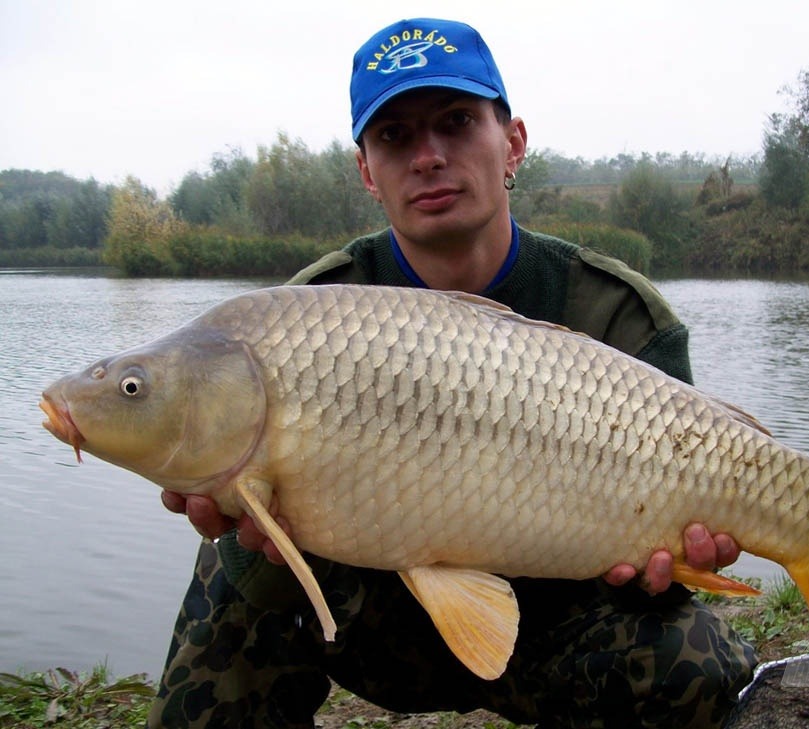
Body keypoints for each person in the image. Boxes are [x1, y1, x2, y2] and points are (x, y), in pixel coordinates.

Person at [148, 18, 756, 729]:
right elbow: (266, 562)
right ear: (367, 171)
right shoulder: (307, 311)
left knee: (693, 663)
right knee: (229, 569)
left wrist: (668, 565)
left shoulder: (620, 315)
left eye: (457, 122)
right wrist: (253, 538)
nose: (428, 156)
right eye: (395, 137)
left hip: (557, 627)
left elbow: (658, 569)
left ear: (514, 142)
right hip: (368, 621)